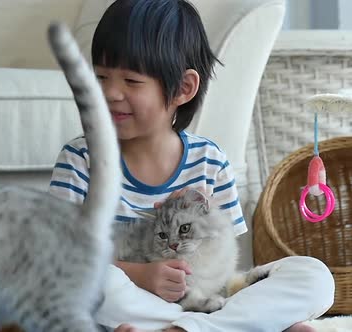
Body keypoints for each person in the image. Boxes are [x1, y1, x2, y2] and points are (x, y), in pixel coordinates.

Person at [48, 0, 334, 331]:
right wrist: (138, 274)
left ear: (183, 88)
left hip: (205, 301)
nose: (111, 93)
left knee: (314, 275)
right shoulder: (80, 160)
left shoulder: (210, 161)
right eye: (101, 77)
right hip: (132, 301)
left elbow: (229, 268)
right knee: (100, 283)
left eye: (131, 80)